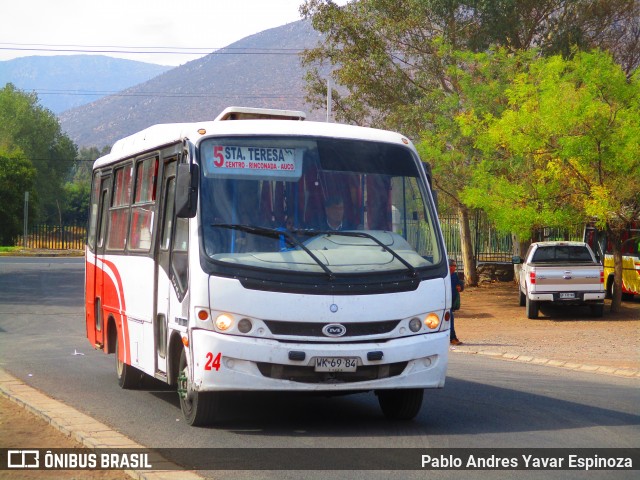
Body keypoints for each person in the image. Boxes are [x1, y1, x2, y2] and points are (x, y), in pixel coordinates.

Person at [449, 258, 464, 345]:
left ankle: (452, 338)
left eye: (454, 266)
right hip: (444, 302)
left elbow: (460, 284)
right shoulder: (444, 275)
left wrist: (460, 287)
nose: (454, 268)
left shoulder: (454, 276)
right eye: (452, 266)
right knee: (450, 319)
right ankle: (452, 338)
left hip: (452, 302)